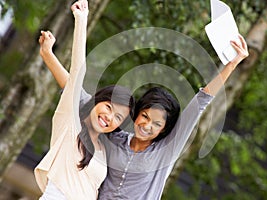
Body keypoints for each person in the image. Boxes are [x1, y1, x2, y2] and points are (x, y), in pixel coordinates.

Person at [40, 6, 249, 199]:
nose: (148, 126)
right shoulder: (112, 138)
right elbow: (76, 91)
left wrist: (232, 64)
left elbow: (200, 102)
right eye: (146, 117)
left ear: (164, 130)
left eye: (157, 124)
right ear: (137, 114)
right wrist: (48, 56)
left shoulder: (165, 152)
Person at [34, 1, 135, 199]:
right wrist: (81, 19)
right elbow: (77, 73)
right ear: (97, 101)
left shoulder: (104, 150)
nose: (109, 117)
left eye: (118, 117)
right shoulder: (72, 123)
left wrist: (47, 54)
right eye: (108, 107)